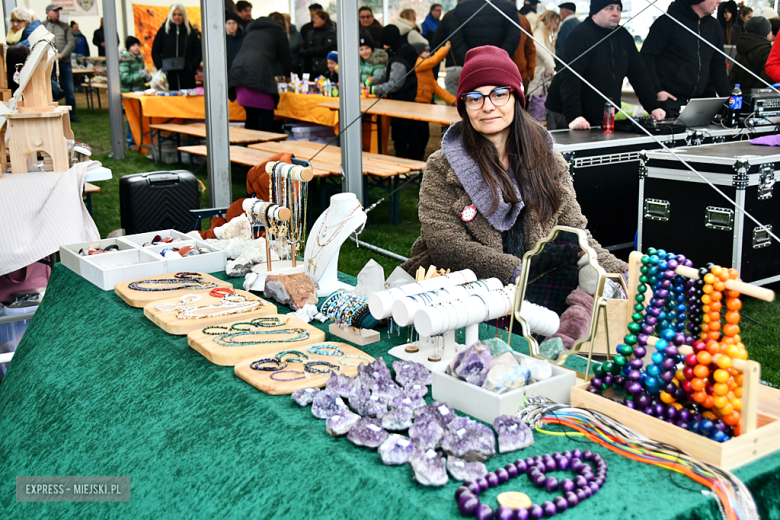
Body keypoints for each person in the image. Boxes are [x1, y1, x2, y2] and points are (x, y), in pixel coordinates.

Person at [401, 45, 627, 284]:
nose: (488, 106)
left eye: (499, 94)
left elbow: (576, 235)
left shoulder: (548, 160)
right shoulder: (442, 166)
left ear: (516, 98)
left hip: (537, 289)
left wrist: (622, 273)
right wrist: (517, 273)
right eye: (475, 98)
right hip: (460, 291)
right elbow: (446, 244)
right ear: (464, 107)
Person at [546, 0, 665, 130]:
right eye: (610, 8)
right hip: (566, 113)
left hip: (602, 114)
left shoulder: (623, 36)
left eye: (619, 9)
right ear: (595, 13)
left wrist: (653, 106)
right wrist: (574, 116)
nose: (616, 13)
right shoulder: (579, 35)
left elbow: (639, 74)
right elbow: (570, 78)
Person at [640, 0, 730, 117]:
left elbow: (718, 64)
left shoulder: (714, 26)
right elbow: (646, 57)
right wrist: (657, 90)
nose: (719, 1)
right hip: (671, 100)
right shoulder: (667, 22)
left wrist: (728, 97)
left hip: (701, 101)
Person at [229, 14, 292, 131]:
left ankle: (248, 148)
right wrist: (288, 76)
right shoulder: (278, 32)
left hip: (238, 76)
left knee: (251, 117)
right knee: (266, 118)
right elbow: (286, 58)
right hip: (257, 78)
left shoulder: (252, 31)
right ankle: (262, 148)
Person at [366, 25, 419, 158]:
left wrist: (373, 89)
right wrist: (368, 81)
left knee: (403, 135)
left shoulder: (399, 60)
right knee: (403, 134)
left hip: (402, 103)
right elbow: (385, 73)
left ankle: (405, 164)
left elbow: (394, 84)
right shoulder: (398, 54)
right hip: (404, 102)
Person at [450, 0, 521, 67]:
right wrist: (500, 59)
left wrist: (467, 60)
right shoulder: (509, 7)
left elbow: (456, 38)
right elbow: (513, 37)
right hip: (499, 65)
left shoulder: (462, 7)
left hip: (471, 66)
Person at [151, 4, 202, 91]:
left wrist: (191, 67)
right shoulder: (163, 31)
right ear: (171, 15)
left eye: (180, 14)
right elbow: (155, 50)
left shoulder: (190, 33)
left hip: (187, 77)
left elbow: (198, 52)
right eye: (174, 14)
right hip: (168, 77)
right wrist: (161, 66)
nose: (177, 17)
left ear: (184, 16)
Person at [43, 4, 79, 123]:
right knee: (51, 89)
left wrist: (62, 54)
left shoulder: (65, 27)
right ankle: (54, 113)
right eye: (55, 11)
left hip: (64, 62)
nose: (58, 13)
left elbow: (71, 43)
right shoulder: (42, 26)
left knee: (69, 89)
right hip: (49, 63)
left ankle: (71, 115)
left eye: (58, 11)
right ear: (48, 12)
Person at [527, 11, 561, 121]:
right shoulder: (539, 32)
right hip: (539, 73)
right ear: (550, 21)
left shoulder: (541, 32)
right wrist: (552, 67)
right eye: (555, 23)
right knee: (535, 100)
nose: (556, 26)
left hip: (541, 72)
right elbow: (542, 51)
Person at [120, 36, 151, 148]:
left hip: (139, 91)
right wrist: (140, 75)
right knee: (131, 118)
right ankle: (131, 143)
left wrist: (147, 77)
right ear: (128, 48)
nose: (136, 47)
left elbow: (141, 76)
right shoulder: (125, 61)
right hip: (129, 93)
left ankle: (140, 140)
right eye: (133, 45)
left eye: (138, 45)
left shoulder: (139, 60)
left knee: (139, 117)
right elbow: (125, 78)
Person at [729, 16, 773, 89]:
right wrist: (753, 95)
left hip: (739, 94)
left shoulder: (742, 46)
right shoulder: (766, 50)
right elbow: (766, 78)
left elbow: (733, 75)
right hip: (756, 96)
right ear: (766, 33)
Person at [432, 1, 464, 96]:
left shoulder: (449, 16)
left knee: (452, 105)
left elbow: (437, 41)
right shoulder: (478, 16)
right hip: (474, 65)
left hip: (453, 64)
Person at [415, 41, 455, 105]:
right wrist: (445, 48)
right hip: (418, 102)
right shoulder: (418, 63)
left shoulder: (427, 70)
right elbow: (433, 60)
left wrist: (453, 100)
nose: (429, 53)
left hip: (424, 103)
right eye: (426, 51)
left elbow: (437, 88)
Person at [513, 12, 536, 93]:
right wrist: (530, 72)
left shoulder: (522, 20)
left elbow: (530, 48)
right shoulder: (522, 20)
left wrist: (530, 72)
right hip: (521, 72)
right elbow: (530, 49)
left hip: (520, 73)